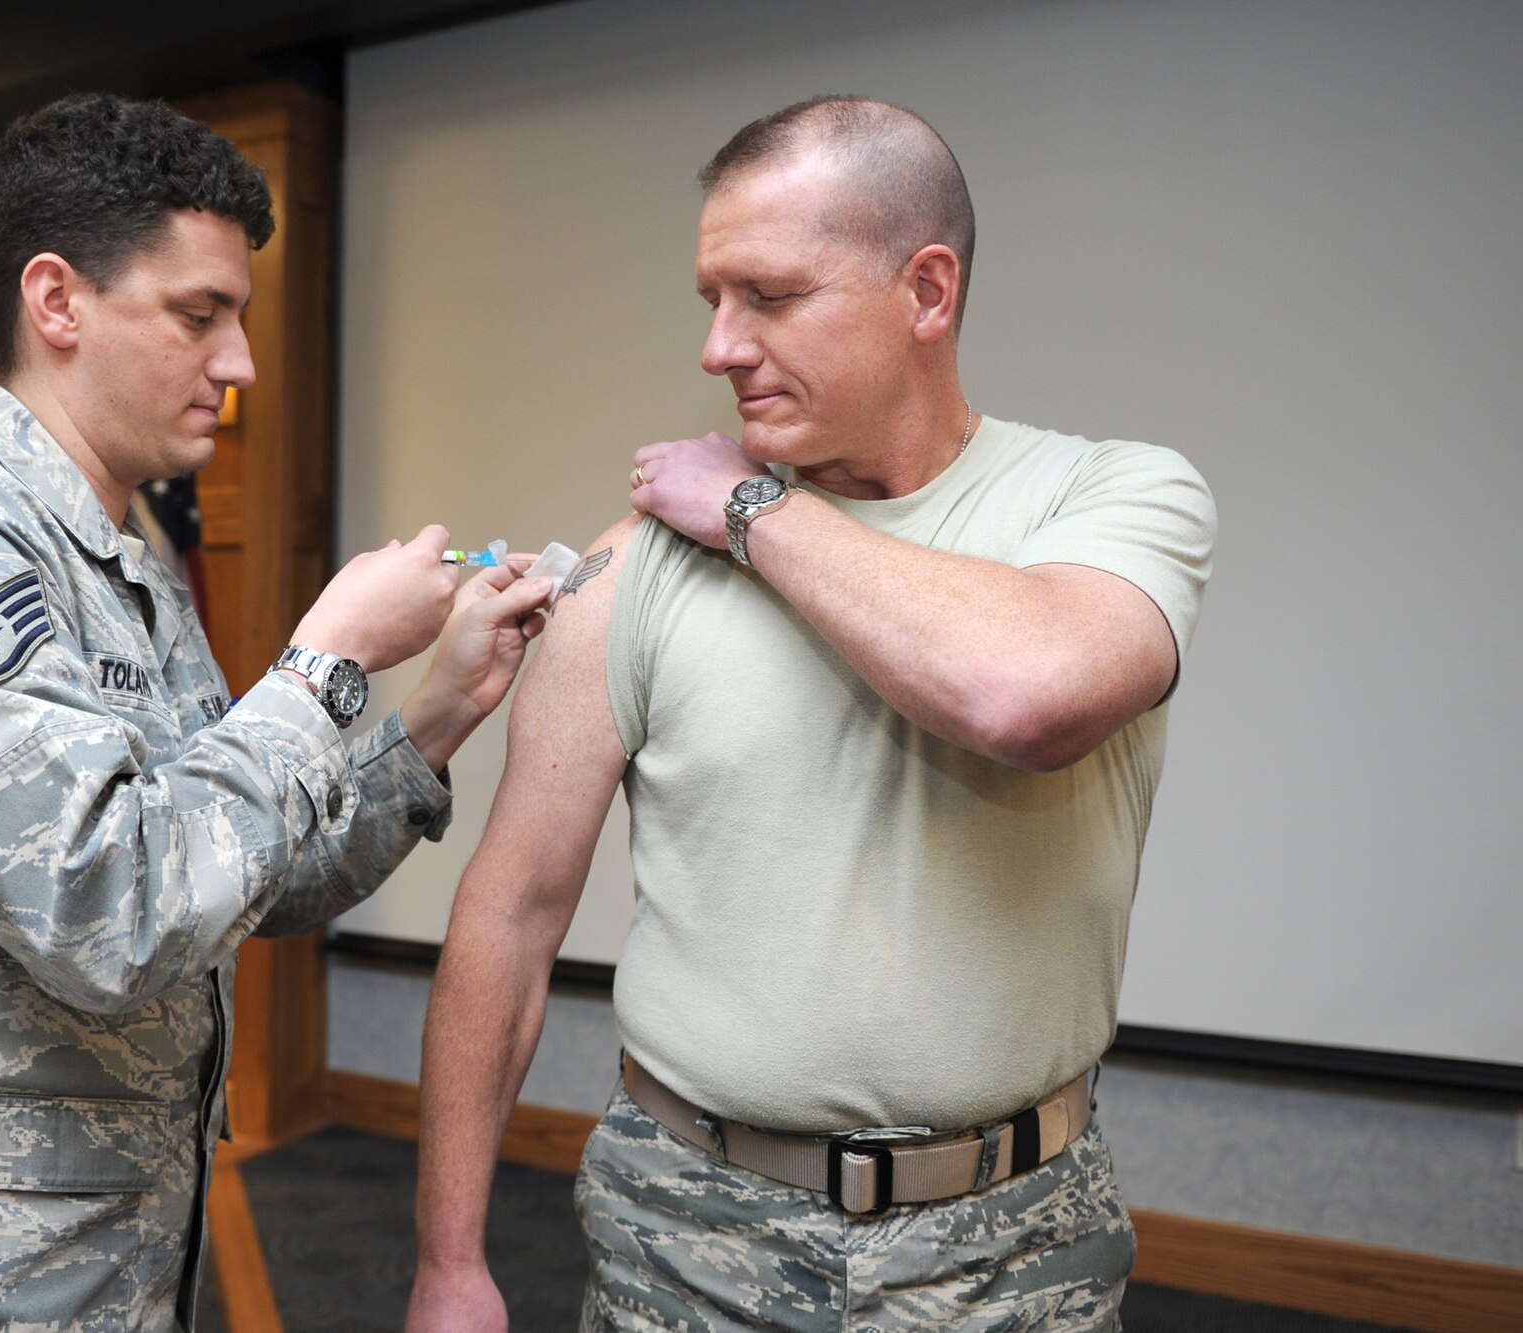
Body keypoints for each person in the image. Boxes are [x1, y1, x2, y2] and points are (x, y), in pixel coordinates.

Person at [0, 93, 553, 1333]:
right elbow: (109, 907)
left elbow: (233, 872)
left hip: (95, 1263)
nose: (240, 364)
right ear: (55, 302)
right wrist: (323, 663)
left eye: (241, 319)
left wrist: (431, 714)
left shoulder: (126, 570)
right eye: (198, 315)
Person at [407, 95, 1215, 1331]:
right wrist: (446, 1258)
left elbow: (1024, 692)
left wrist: (747, 512)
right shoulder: (635, 569)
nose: (717, 348)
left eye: (768, 297)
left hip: (1009, 1254)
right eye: (708, 301)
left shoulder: (1107, 498)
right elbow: (509, 914)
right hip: (686, 1234)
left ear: (926, 292)